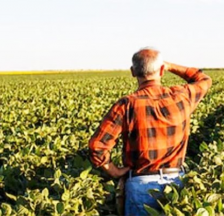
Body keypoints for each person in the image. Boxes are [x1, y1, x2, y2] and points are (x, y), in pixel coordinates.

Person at [88, 47, 212, 215]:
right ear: (161, 70)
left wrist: (113, 170)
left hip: (139, 185)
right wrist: (170, 66)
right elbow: (203, 79)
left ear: (133, 72)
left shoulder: (126, 105)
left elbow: (97, 145)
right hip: (175, 184)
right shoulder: (182, 96)